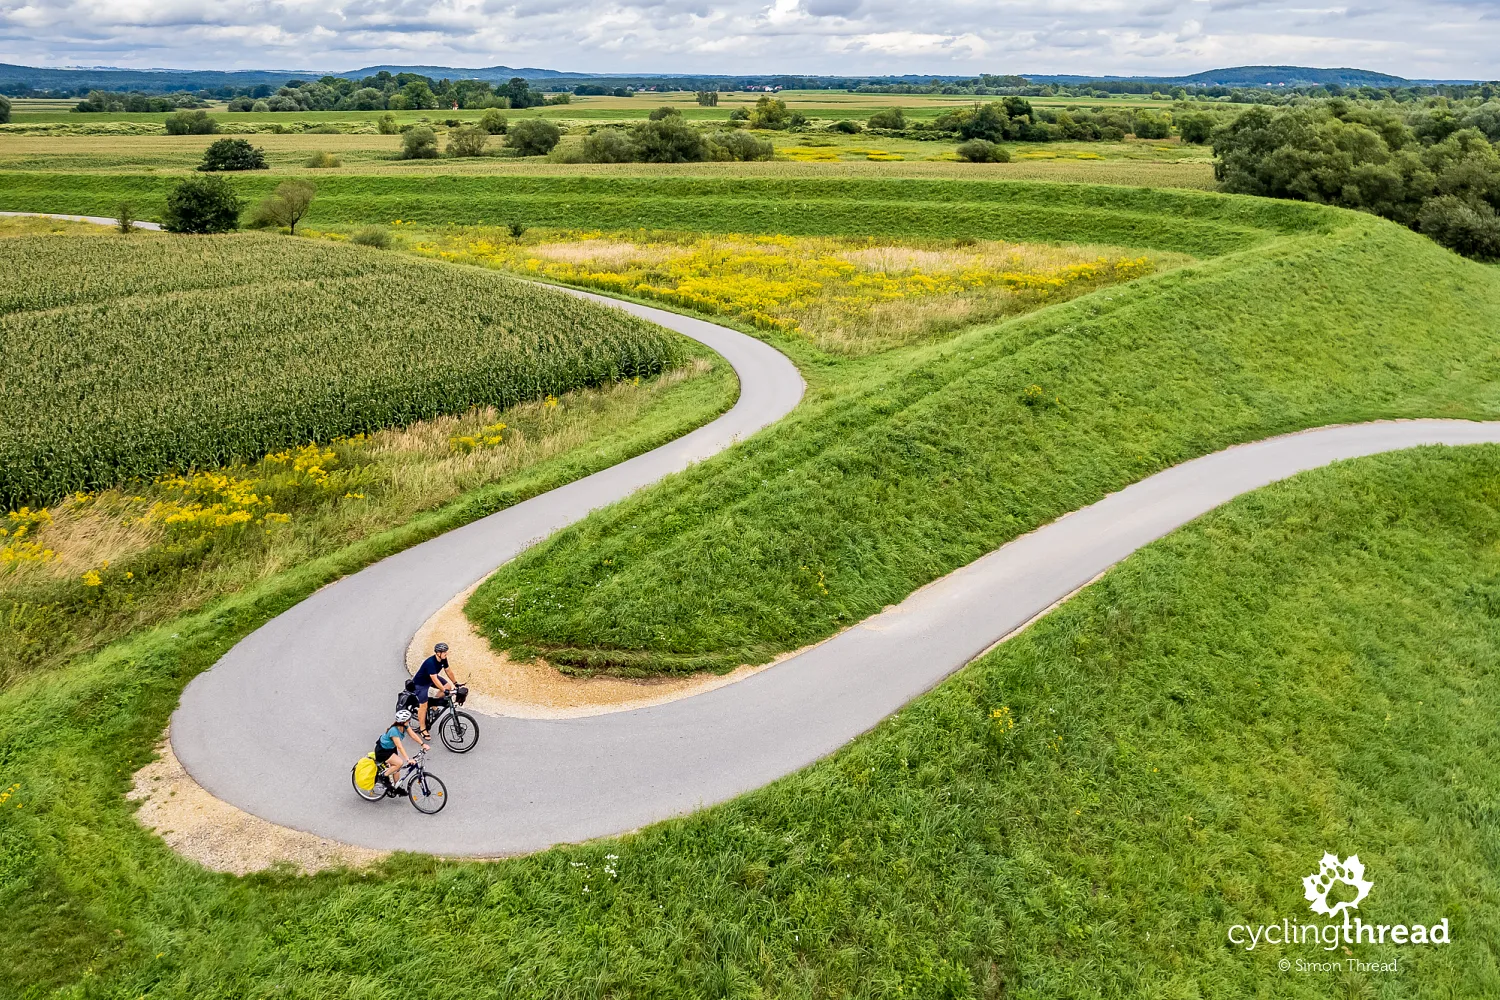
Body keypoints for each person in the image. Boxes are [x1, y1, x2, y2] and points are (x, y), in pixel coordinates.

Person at [412, 641, 463, 738]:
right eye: (444, 652)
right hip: (421, 684)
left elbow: (448, 670)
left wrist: (456, 683)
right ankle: (423, 729)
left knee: (448, 686)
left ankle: (433, 703)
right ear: (438, 653)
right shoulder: (430, 662)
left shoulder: (443, 659)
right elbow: (434, 679)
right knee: (423, 705)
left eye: (446, 651)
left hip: (430, 679)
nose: (446, 653)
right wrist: (444, 690)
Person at [374, 709, 426, 788]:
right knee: (399, 763)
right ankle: (383, 777)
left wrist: (422, 744)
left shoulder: (405, 726)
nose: (409, 721)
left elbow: (412, 734)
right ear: (403, 721)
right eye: (408, 719)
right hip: (383, 751)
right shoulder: (394, 731)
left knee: (396, 769)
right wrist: (408, 759)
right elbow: (400, 747)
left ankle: (396, 787)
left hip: (391, 748)